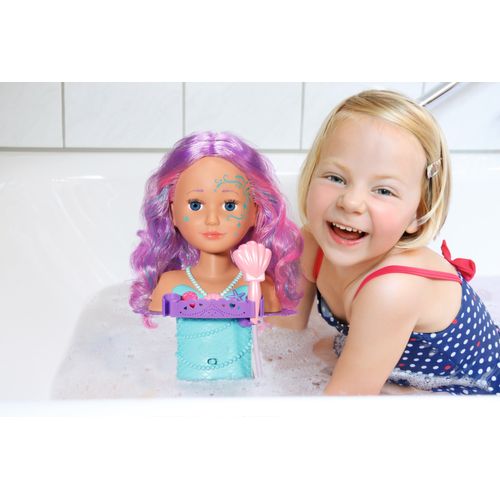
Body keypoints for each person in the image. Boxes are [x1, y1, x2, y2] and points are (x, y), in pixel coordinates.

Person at [285, 89, 500, 395]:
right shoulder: (309, 245)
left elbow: (342, 405)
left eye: (383, 191)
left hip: (477, 393)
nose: (351, 202)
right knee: (314, 352)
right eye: (335, 178)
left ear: (418, 214)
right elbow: (283, 345)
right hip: (401, 367)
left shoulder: (393, 288)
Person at [129, 131, 302, 380]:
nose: (212, 219)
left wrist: (254, 282)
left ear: (254, 213)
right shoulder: (169, 285)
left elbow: (269, 351)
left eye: (230, 205)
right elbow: (157, 354)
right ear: (172, 213)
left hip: (244, 392)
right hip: (183, 391)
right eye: (195, 205)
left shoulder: (262, 284)